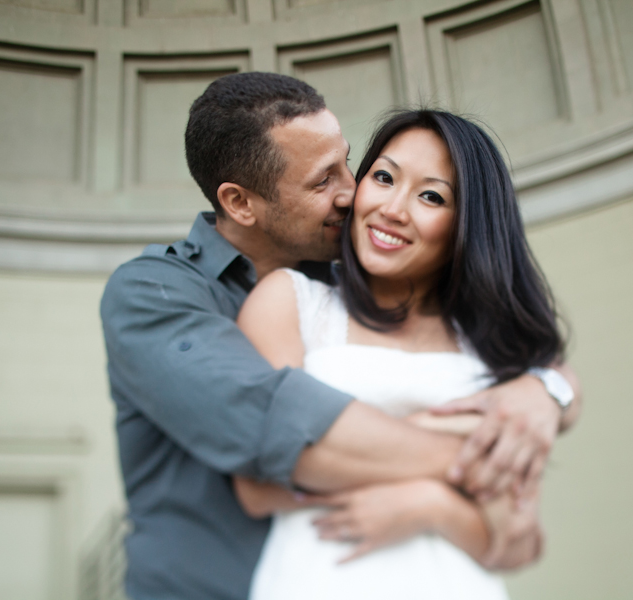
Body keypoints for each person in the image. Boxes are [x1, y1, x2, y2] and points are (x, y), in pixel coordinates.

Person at [100, 73, 580, 600]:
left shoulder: (366, 285)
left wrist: (545, 392)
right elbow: (286, 436)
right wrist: (489, 459)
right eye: (322, 180)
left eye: (349, 163)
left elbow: (519, 530)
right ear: (240, 203)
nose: (353, 193)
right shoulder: (156, 294)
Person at [235, 108, 575, 599]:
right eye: (384, 177)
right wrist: (460, 443)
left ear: (468, 224)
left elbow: (517, 543)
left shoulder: (490, 351)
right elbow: (258, 484)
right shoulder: (290, 302)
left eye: (431, 196)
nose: (393, 209)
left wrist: (430, 505)